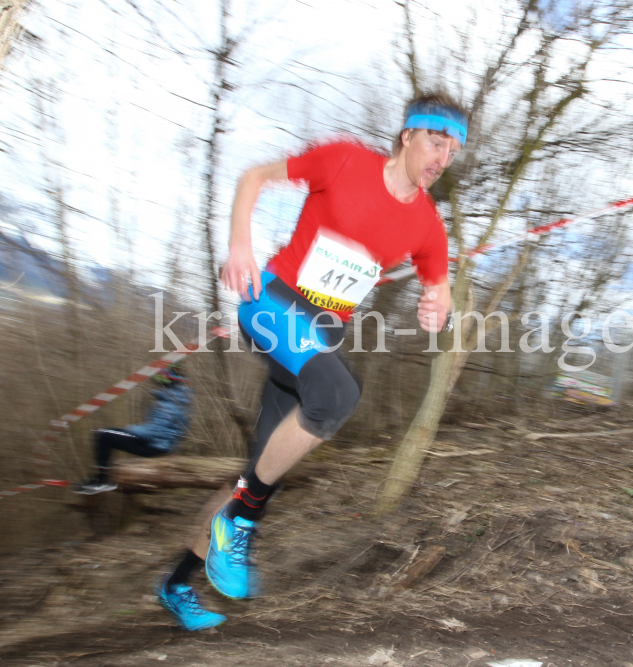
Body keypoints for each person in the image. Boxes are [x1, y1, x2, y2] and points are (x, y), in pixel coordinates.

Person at [155, 93, 464, 632]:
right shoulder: (344, 160)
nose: (443, 158)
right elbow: (253, 177)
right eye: (436, 143)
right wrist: (240, 246)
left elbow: (441, 283)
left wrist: (439, 301)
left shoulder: (428, 226)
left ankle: (177, 582)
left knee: (258, 478)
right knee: (339, 395)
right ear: (407, 137)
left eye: (454, 151)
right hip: (270, 302)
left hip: (314, 338)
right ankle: (236, 524)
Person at [73, 363, 191, 495]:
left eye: (161, 381)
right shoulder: (177, 400)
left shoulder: (169, 404)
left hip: (155, 447)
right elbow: (181, 429)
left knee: (103, 435)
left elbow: (155, 431)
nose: (158, 384)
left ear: (168, 382)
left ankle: (103, 480)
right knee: (109, 433)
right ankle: (101, 477)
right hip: (161, 445)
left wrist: (131, 430)